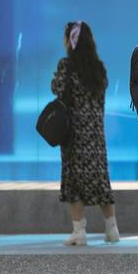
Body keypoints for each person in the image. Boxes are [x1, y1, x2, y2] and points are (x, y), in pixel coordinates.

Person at [51, 21, 118, 246]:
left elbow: (57, 89)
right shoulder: (99, 68)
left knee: (74, 181)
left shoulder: (67, 65)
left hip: (74, 134)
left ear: (70, 40)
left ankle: (79, 232)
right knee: (101, 180)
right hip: (96, 135)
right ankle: (112, 229)